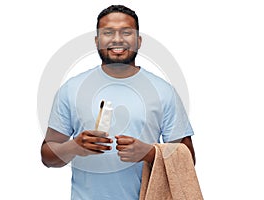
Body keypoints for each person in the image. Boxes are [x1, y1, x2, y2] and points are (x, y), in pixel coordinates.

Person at [41, 5, 196, 200]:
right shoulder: (72, 89)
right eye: (108, 32)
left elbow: (188, 160)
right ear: (97, 41)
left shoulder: (164, 91)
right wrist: (75, 147)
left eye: (126, 32)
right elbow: (47, 156)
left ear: (138, 41)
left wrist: (149, 153)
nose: (117, 39)